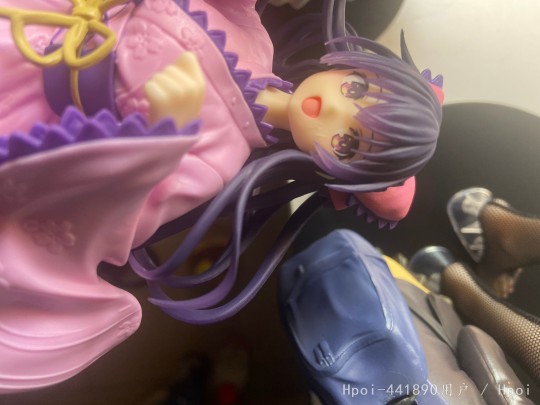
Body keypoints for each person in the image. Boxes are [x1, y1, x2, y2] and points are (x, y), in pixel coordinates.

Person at [0, 0, 442, 392]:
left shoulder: (218, 159)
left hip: (38, 112)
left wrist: (162, 135)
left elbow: (125, 219)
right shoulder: (254, 38)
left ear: (335, 172)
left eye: (347, 142)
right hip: (41, 24)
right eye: (356, 88)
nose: (332, 108)